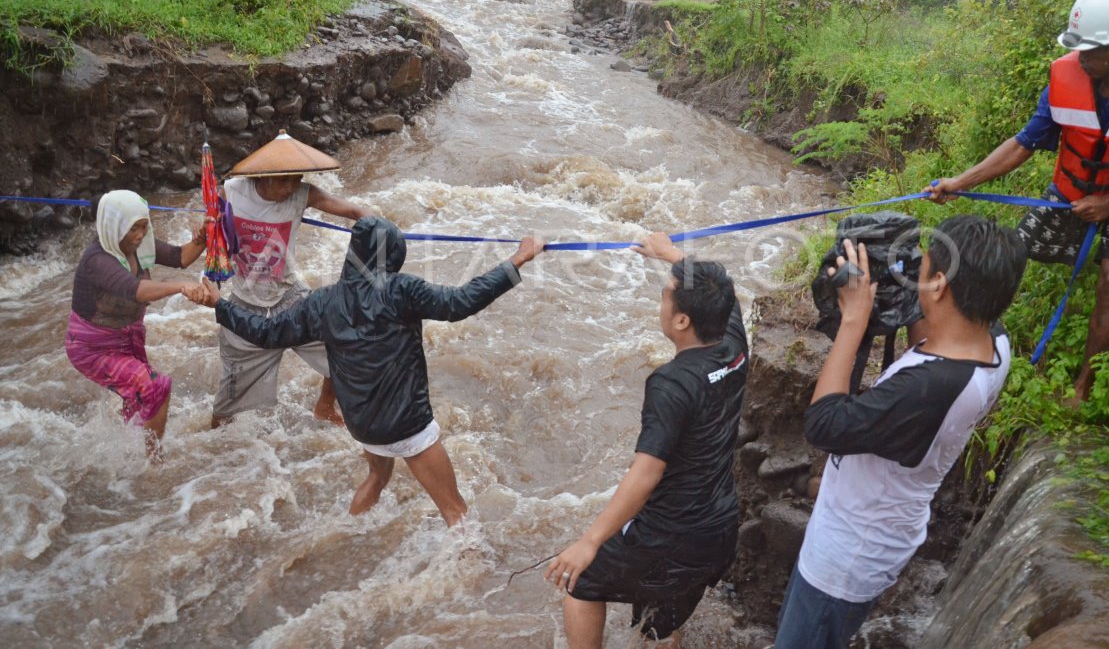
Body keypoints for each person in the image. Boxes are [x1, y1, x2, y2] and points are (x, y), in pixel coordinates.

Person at [926, 0, 1109, 407]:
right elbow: (1022, 144)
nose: (1082, 58)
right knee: (1008, 250)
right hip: (1070, 192)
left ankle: (1083, 388)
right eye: (1079, 48)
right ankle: (968, 345)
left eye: (1093, 50)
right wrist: (959, 183)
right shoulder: (1066, 77)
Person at [774, 215, 1026, 649]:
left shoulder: (926, 389)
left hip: (847, 557)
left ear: (942, 284)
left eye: (923, 269)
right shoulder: (994, 344)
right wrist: (914, 295)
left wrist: (854, 320)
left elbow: (823, 423)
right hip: (890, 525)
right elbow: (930, 340)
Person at [190, 215, 544, 522]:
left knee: (376, 480)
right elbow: (461, 302)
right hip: (407, 424)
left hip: (362, 424)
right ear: (392, 253)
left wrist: (221, 305)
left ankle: (349, 535)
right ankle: (472, 578)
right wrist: (519, 258)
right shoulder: (402, 290)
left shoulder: (321, 301)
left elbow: (267, 333)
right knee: (455, 511)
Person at [544, 232, 747, 648]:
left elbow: (647, 471)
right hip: (721, 527)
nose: (662, 302)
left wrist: (589, 542)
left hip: (672, 534)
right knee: (656, 624)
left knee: (580, 583)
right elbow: (726, 295)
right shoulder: (733, 345)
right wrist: (674, 257)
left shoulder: (671, 383)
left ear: (681, 321)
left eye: (666, 296)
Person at [212, 131, 371, 429]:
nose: (290, 188)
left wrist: (375, 224)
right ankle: (213, 446)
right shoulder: (231, 191)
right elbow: (210, 227)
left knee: (344, 344)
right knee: (227, 401)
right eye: (284, 180)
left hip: (288, 296)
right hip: (245, 302)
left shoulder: (302, 194)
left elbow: (351, 210)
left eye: (295, 179)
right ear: (262, 176)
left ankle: (324, 406)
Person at [65, 190, 207, 457]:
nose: (141, 234)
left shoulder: (140, 245)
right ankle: (153, 460)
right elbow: (135, 290)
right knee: (156, 386)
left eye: (144, 226)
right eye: (134, 229)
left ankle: (127, 452)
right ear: (115, 226)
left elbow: (181, 257)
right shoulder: (97, 260)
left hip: (125, 338)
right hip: (91, 347)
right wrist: (181, 287)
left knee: (140, 396)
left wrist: (202, 239)